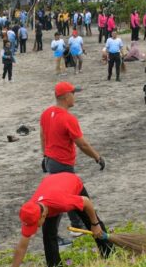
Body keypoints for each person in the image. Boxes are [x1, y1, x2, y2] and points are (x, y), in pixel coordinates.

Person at [7, 173, 113, 267]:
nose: (35, 228)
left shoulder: (62, 203)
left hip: (71, 183)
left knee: (89, 221)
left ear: (43, 216)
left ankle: (109, 255)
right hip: (52, 185)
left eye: (35, 224)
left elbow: (86, 202)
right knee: (48, 235)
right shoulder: (31, 210)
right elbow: (22, 247)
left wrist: (95, 224)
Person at [40, 82, 106, 234]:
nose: (75, 97)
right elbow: (82, 144)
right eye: (73, 93)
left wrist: (45, 156)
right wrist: (97, 157)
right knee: (71, 196)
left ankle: (76, 224)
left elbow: (42, 135)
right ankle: (79, 226)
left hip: (51, 161)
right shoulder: (68, 119)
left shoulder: (46, 113)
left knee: (67, 194)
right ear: (66, 96)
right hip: (62, 163)